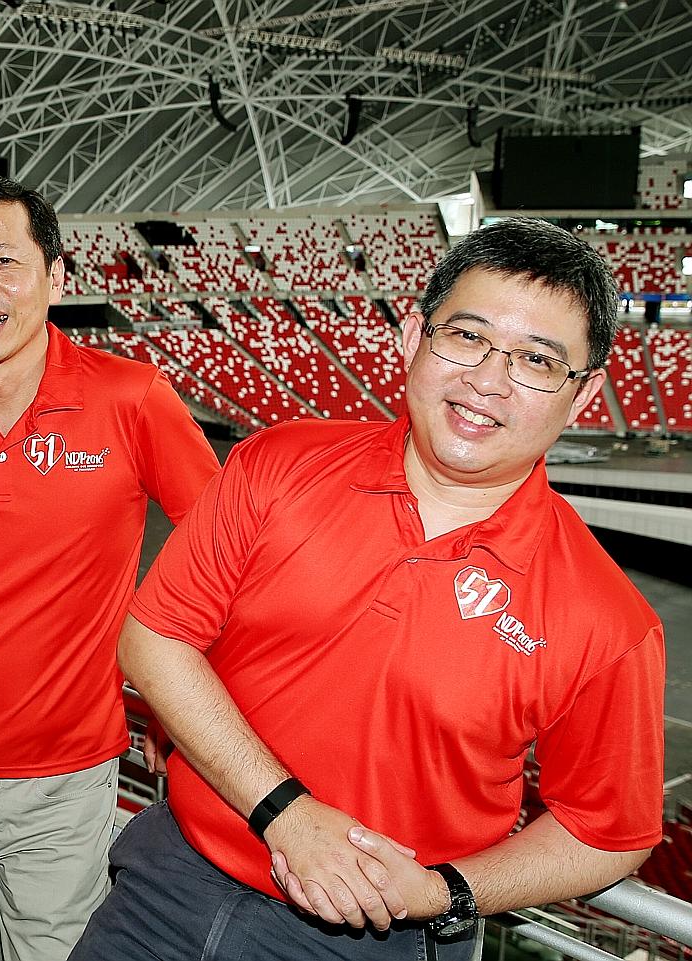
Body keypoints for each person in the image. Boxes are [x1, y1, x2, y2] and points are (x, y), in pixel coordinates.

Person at [70, 218, 665, 961]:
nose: (488, 379)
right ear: (412, 337)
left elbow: (606, 834)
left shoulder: (610, 622)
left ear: (584, 396)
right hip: (168, 883)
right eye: (468, 336)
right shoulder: (275, 463)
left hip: (380, 938)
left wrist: (443, 889)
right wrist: (286, 813)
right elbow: (155, 636)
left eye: (537, 360)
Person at [0, 175, 219, 961]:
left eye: (4, 261)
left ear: (56, 277)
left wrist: (180, 710)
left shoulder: (133, 398)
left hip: (65, 784)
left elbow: (222, 554)